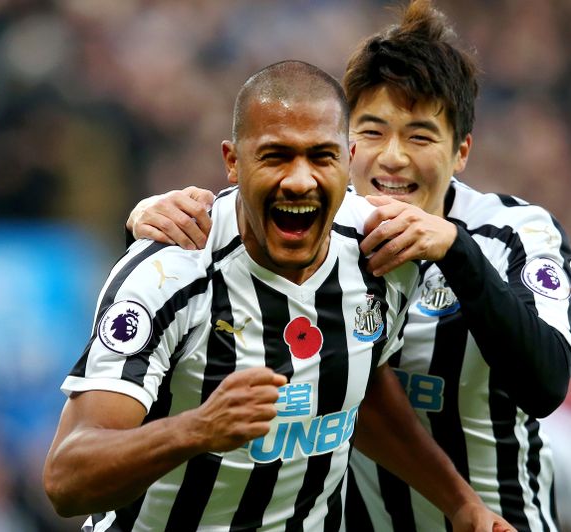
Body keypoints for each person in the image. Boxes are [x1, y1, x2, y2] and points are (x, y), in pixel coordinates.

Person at [127, 1, 571, 530]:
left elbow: (545, 385)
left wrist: (457, 253)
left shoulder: (515, 236)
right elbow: (228, 237)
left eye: (419, 136)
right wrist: (150, 224)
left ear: (461, 151)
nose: (392, 157)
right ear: (345, 144)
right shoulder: (311, 235)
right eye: (372, 132)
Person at [43, 60, 512, 532]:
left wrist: (460, 502)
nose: (300, 180)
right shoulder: (169, 272)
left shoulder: (384, 255)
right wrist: (198, 429)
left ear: (349, 160)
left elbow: (362, 390)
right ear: (232, 161)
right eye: (275, 156)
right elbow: (67, 479)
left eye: (321, 156)